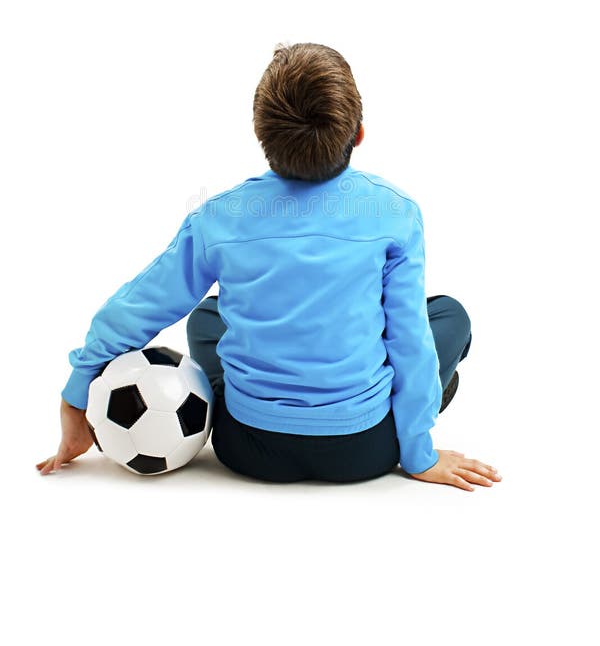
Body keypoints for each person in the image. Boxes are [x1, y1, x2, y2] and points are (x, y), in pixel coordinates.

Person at [37, 43, 502, 491]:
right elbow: (409, 340)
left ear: (260, 135)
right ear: (358, 134)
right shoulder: (395, 212)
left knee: (206, 316)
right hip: (366, 448)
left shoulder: (218, 217)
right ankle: (401, 400)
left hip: (247, 447)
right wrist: (420, 454)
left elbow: (137, 309)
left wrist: (76, 395)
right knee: (449, 316)